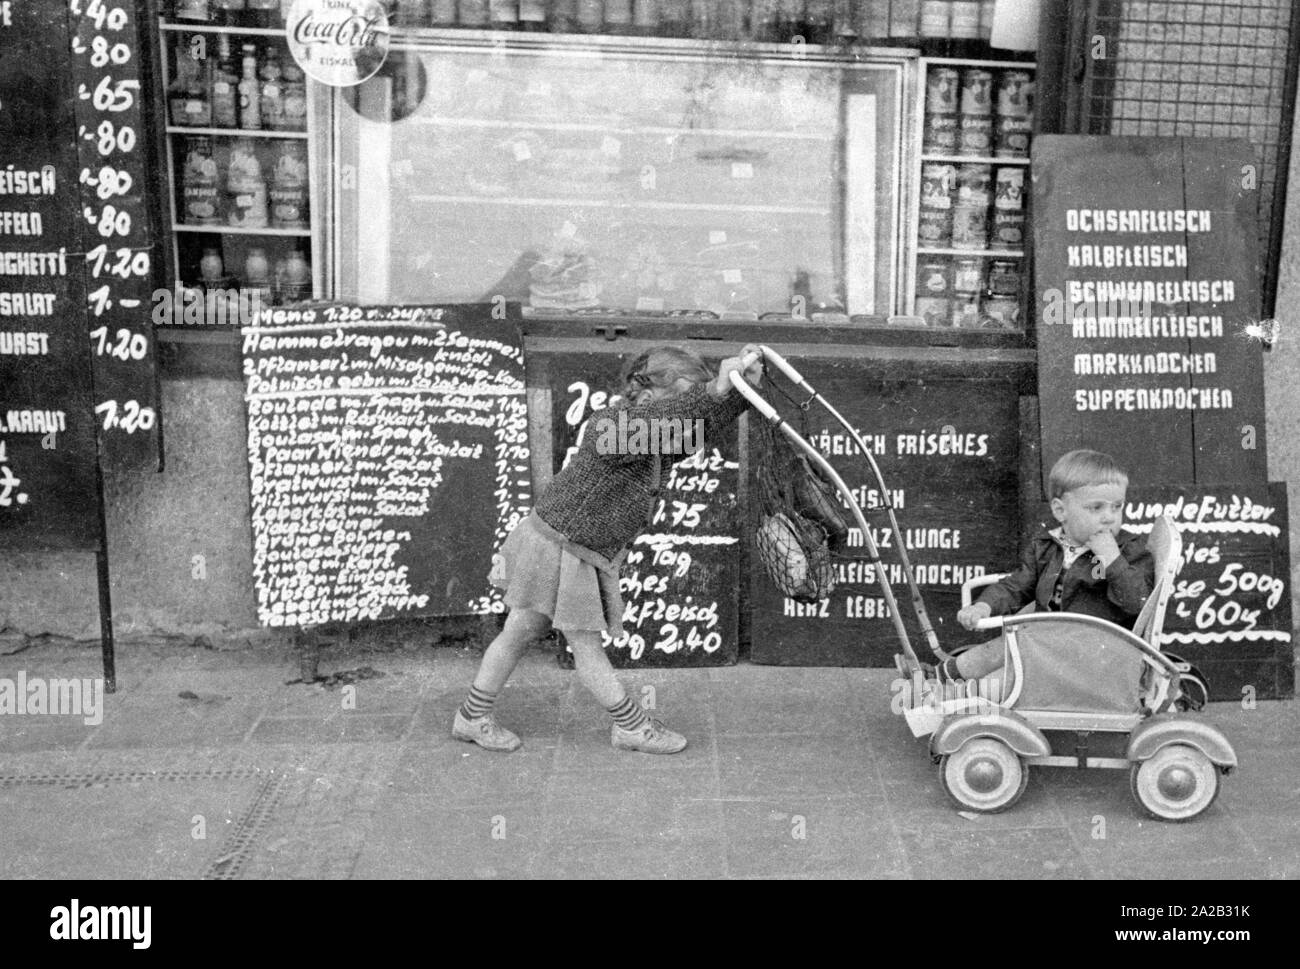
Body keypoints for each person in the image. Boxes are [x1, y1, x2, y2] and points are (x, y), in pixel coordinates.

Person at [452, 344, 764, 754]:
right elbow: (685, 416)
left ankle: (471, 717)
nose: (688, 412)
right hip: (563, 548)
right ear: (650, 399)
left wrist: (738, 392)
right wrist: (712, 393)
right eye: (683, 399)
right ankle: (630, 727)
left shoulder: (651, 433)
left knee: (519, 632)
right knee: (584, 645)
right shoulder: (613, 428)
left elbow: (695, 426)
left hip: (560, 542)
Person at [937, 449, 1154, 684]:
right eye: (1096, 508)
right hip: (1046, 641)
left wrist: (1112, 560)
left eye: (1117, 507)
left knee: (1002, 683)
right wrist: (983, 606)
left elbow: (1137, 603)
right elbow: (1016, 586)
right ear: (1061, 511)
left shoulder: (1129, 550)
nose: (1109, 517)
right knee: (994, 650)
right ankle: (939, 678)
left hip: (1091, 655)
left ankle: (958, 700)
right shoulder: (1047, 547)